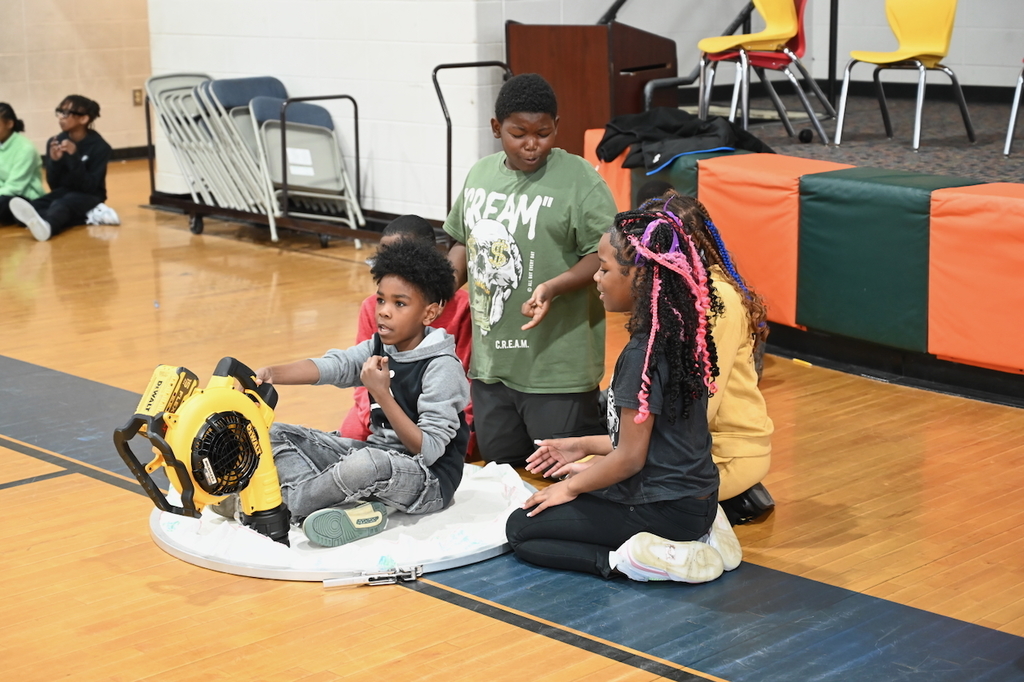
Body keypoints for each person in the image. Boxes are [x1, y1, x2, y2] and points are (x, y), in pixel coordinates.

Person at [505, 207, 743, 583]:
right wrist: (581, 445)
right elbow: (652, 441)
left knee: (521, 530)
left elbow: (630, 459)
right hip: (697, 501)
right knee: (576, 492)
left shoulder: (641, 355)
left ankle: (624, 560)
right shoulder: (679, 338)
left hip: (664, 510)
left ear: (640, 276)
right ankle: (705, 533)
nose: (596, 277)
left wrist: (569, 487)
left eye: (604, 269)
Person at [443, 73, 617, 468]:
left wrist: (554, 286)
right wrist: (439, 289)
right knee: (501, 473)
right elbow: (462, 243)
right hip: (491, 369)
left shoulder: (580, 181)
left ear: (557, 126)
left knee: (560, 475)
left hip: (556, 371)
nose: (532, 143)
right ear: (496, 128)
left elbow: (604, 255)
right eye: (518, 133)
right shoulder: (480, 175)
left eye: (543, 132)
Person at [255, 238, 470, 547]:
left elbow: (429, 450)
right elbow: (335, 365)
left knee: (366, 464)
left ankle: (282, 505)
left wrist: (382, 394)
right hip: (377, 459)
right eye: (381, 300)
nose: (384, 312)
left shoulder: (442, 366)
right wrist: (271, 374)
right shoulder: (379, 346)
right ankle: (344, 507)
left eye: (399, 304)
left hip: (429, 481)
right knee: (273, 434)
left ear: (429, 313)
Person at [648, 191, 775, 525]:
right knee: (588, 467)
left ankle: (728, 498)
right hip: (696, 444)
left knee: (604, 483)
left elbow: (700, 405)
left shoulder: (718, 302)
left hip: (725, 452)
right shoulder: (678, 290)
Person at [340, 215, 473, 453]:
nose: (391, 264)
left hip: (436, 411)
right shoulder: (371, 306)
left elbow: (466, 380)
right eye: (384, 256)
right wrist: (371, 417)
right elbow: (362, 373)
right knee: (349, 437)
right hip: (380, 408)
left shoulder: (464, 307)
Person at [7, 95, 111, 241]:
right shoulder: (56, 141)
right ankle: (86, 216)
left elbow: (90, 186)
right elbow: (54, 185)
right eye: (60, 112)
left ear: (83, 119)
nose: (61, 117)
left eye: (66, 113)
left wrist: (74, 157)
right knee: (30, 210)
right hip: (65, 192)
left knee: (61, 205)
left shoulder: (100, 147)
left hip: (91, 195)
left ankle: (49, 228)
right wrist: (55, 162)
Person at [0, 103, 45, 224]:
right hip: (3, 194)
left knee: (3, 203)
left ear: (9, 124)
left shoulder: (25, 148)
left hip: (25, 197)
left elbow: (16, 187)